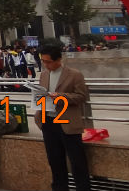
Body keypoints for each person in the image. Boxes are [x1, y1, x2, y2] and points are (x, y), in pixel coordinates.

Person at [36, 44, 91, 191]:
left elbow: (81, 96)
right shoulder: (44, 74)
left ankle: (83, 188)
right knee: (55, 160)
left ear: (58, 59)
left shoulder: (74, 74)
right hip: (48, 121)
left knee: (77, 161)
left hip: (67, 122)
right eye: (43, 61)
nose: (45, 65)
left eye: (48, 62)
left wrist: (61, 97)